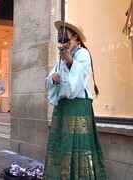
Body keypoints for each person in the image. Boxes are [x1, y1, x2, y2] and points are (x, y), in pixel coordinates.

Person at [43, 20, 108, 179]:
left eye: (66, 35)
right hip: (64, 106)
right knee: (63, 143)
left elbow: (80, 80)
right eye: (60, 37)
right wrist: (53, 77)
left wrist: (70, 60)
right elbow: (48, 81)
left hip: (78, 105)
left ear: (76, 37)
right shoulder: (61, 58)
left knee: (78, 145)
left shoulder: (83, 54)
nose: (62, 39)